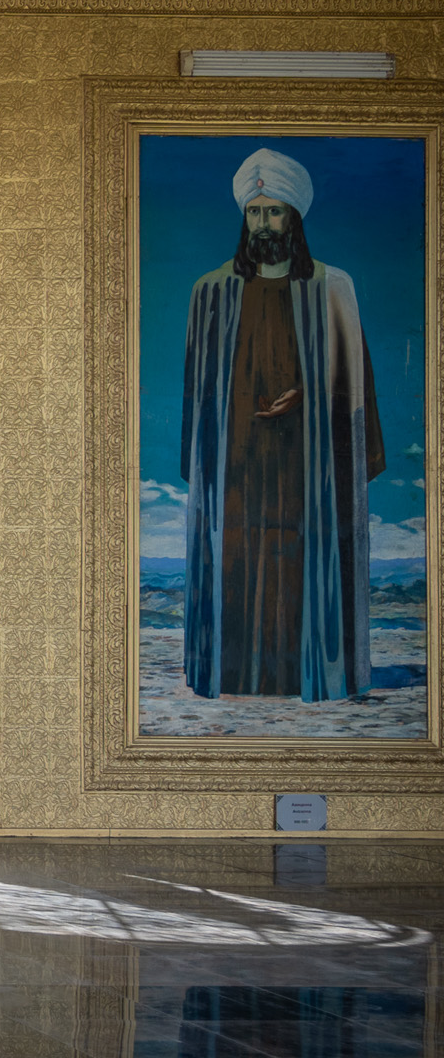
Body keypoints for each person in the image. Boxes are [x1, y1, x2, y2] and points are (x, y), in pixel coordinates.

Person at [179, 147, 384, 702]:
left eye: (274, 212)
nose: (263, 223)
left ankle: (308, 674)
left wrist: (310, 396)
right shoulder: (212, 291)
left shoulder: (332, 287)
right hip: (238, 458)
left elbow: (354, 383)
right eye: (254, 211)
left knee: (302, 561)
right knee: (238, 555)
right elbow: (198, 392)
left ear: (294, 216)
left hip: (307, 459)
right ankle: (235, 675)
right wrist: (205, 460)